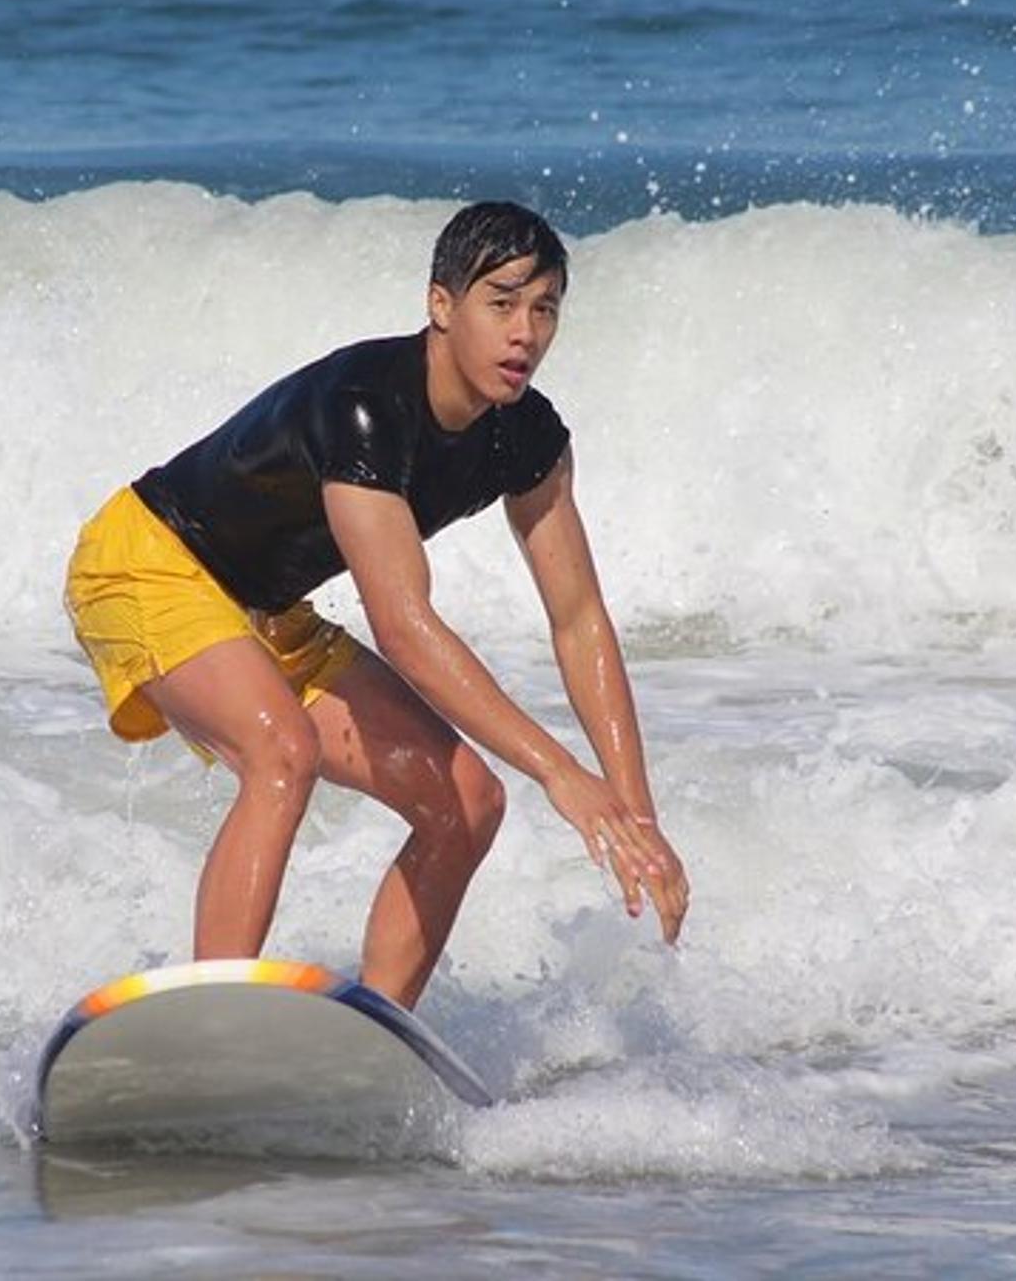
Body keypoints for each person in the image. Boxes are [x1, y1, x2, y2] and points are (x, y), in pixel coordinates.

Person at [64, 201, 689, 1009]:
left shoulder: (526, 437)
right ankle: (207, 1018)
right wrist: (561, 773)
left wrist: (637, 818)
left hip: (264, 609)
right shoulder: (367, 405)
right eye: (501, 303)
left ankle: (376, 1036)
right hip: (149, 561)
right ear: (440, 305)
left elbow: (579, 621)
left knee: (467, 802)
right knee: (280, 750)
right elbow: (402, 623)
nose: (525, 333)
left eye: (545, 310)